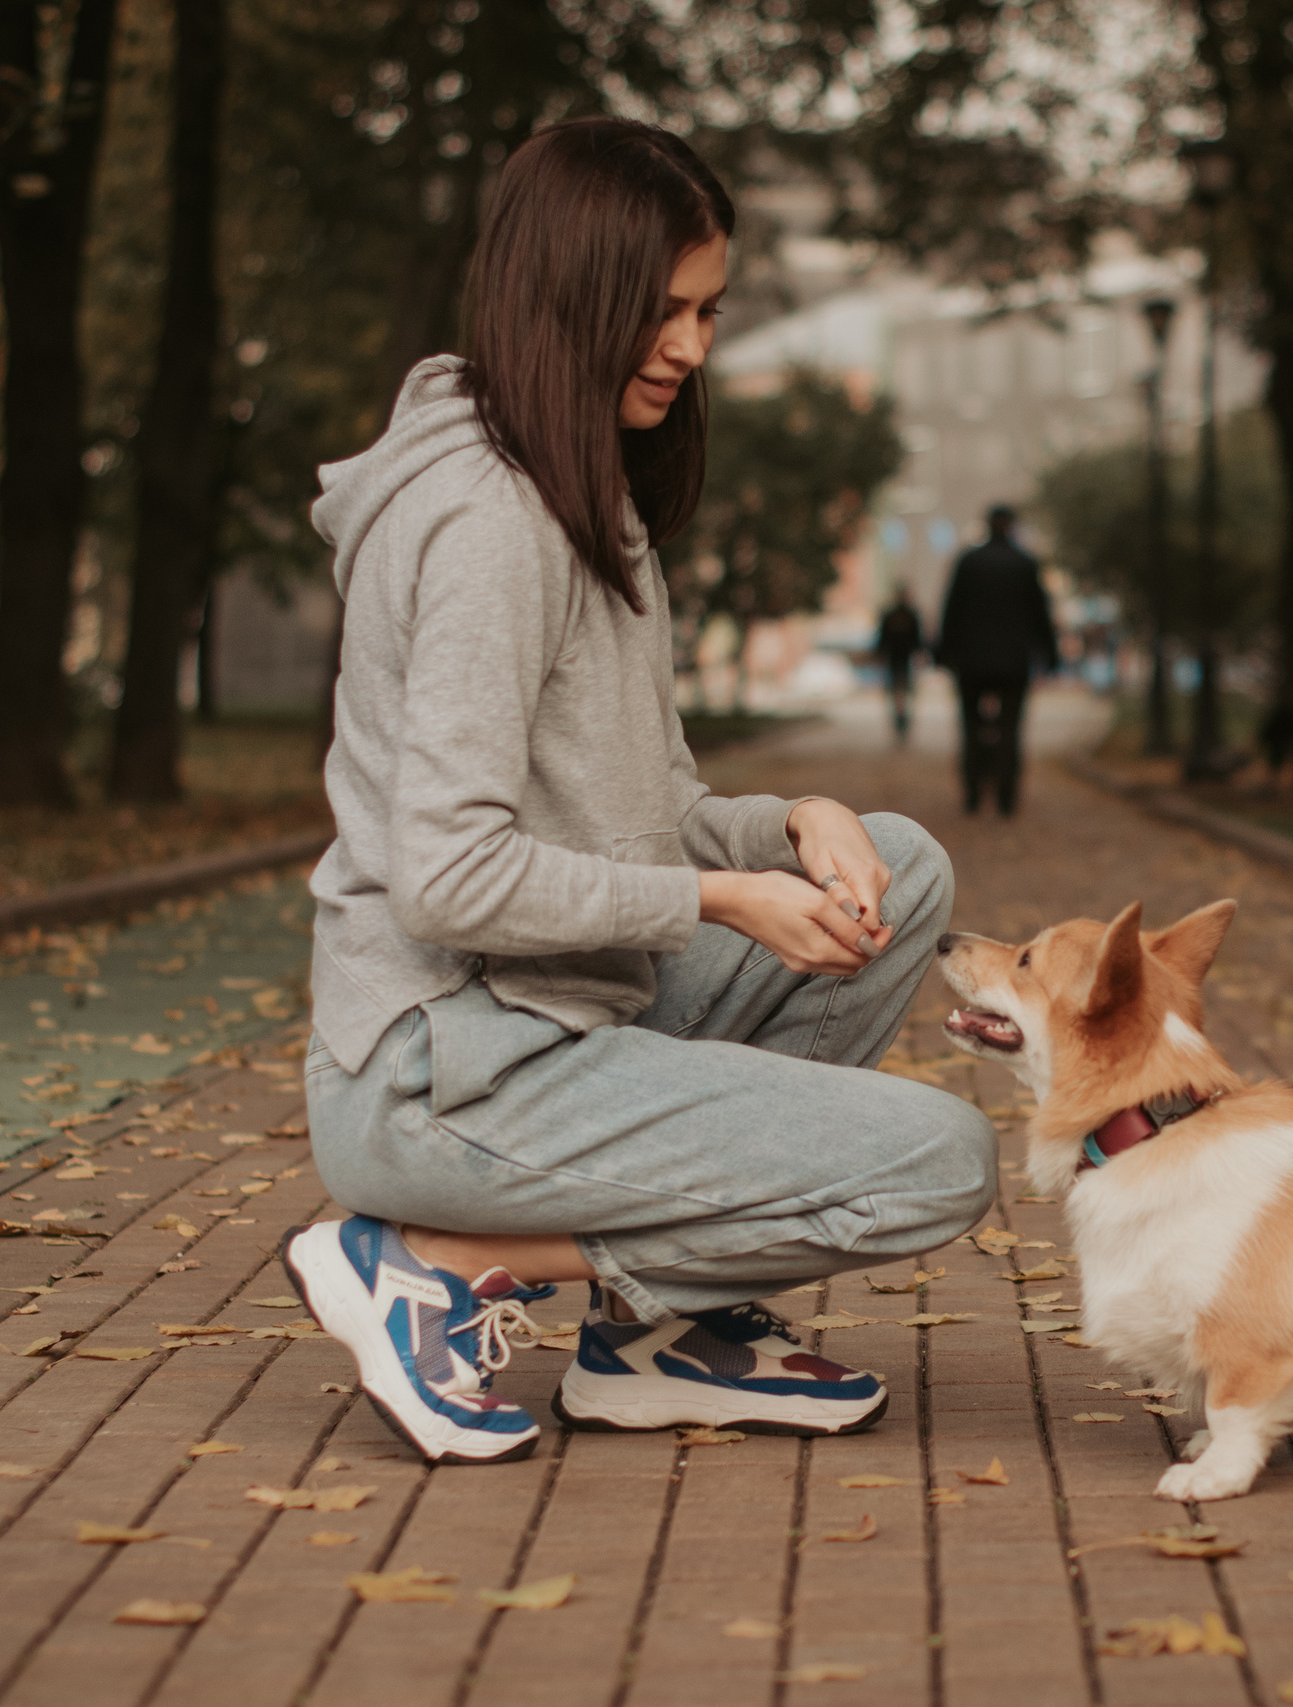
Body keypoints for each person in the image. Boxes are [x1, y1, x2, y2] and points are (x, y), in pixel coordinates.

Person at [288, 117, 996, 1467]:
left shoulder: (580, 488)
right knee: (939, 1157)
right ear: (570, 294)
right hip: (445, 1068)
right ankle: (431, 1260)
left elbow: (648, 802)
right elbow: (449, 872)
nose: (688, 345)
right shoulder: (491, 521)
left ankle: (657, 1334)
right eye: (659, 310)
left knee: (894, 869)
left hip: (547, 1009)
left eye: (708, 310)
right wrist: (724, 894)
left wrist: (792, 825)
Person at [935, 505, 1058, 815]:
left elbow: (952, 610)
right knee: (1011, 728)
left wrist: (943, 653)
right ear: (1013, 527)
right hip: (1014, 663)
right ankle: (1007, 795)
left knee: (970, 726)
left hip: (972, 662)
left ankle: (973, 792)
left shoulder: (969, 562)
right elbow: (1040, 614)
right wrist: (1050, 655)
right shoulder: (1025, 563)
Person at [874, 589, 925, 740]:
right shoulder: (908, 615)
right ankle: (901, 717)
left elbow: (883, 638)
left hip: (900, 657)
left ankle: (901, 716)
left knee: (900, 688)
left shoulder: (896, 615)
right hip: (899, 657)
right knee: (902, 688)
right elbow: (916, 639)